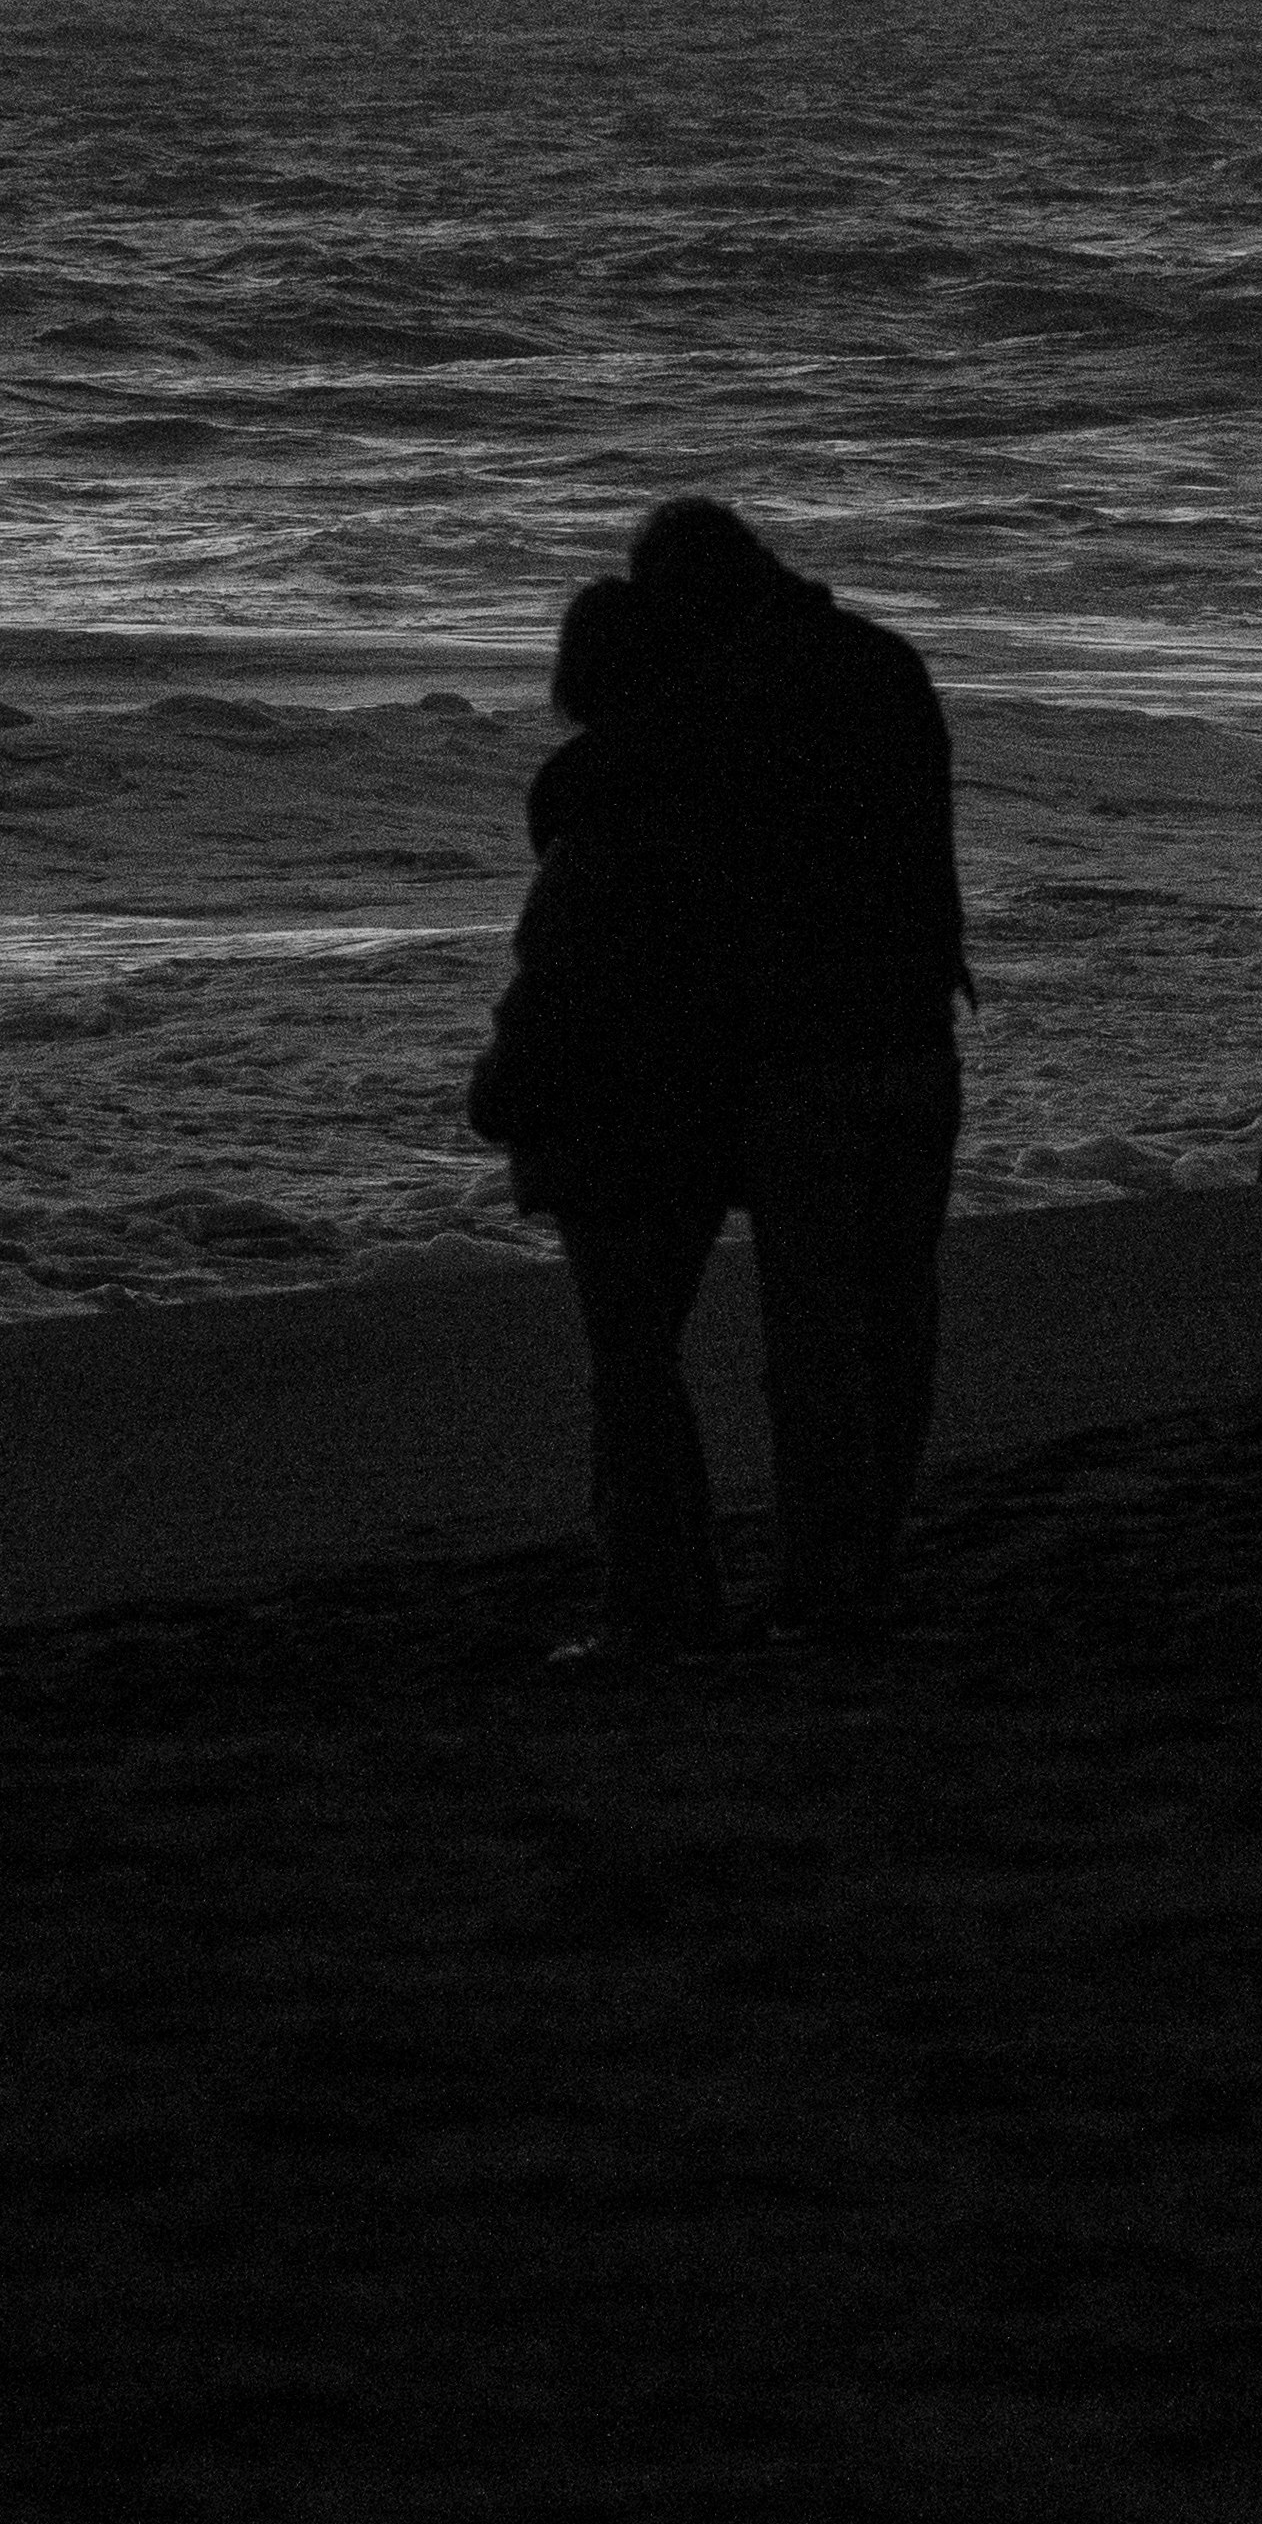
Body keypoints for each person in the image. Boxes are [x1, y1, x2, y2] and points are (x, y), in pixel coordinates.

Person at [622, 493, 969, 1640]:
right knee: (895, 1319)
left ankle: (829, 1575)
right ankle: (870, 1553)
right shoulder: (885, 664)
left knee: (813, 1331)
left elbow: (716, 898)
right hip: (918, 1031)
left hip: (804, 1050)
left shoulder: (731, 694)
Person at [466, 573, 750, 1654]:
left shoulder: (601, 817)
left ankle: (653, 1598)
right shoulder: (713, 803)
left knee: (629, 1365)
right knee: (645, 1357)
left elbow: (558, 982)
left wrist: (500, 1088)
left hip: (606, 1125)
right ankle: (680, 1587)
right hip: (692, 1116)